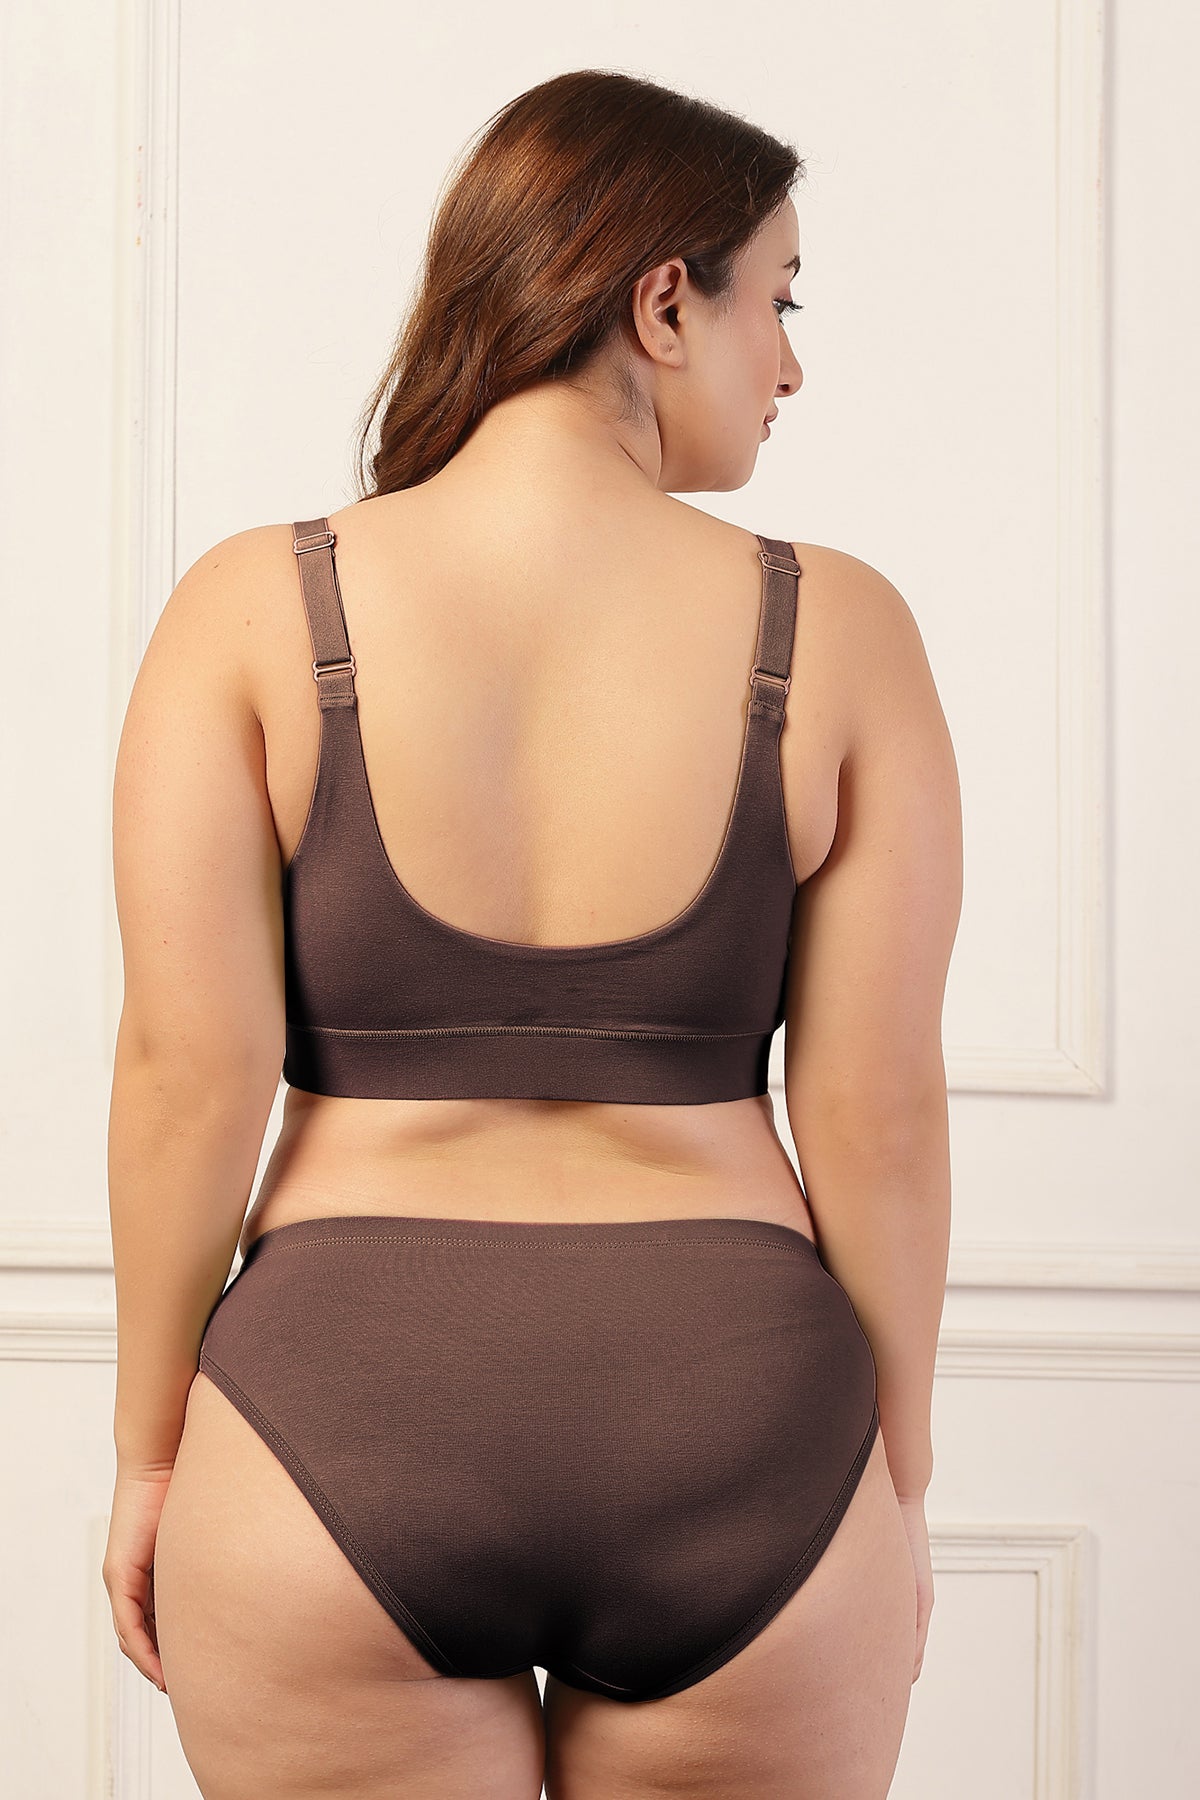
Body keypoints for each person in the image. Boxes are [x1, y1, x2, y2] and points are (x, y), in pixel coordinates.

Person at [103, 66, 961, 1800]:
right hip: (744, 1420)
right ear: (665, 303)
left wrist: (148, 1457)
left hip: (339, 1408)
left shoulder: (255, 607)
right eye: (780, 303)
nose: (790, 368)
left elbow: (192, 1076)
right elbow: (875, 1115)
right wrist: (897, 1473)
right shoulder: (842, 629)